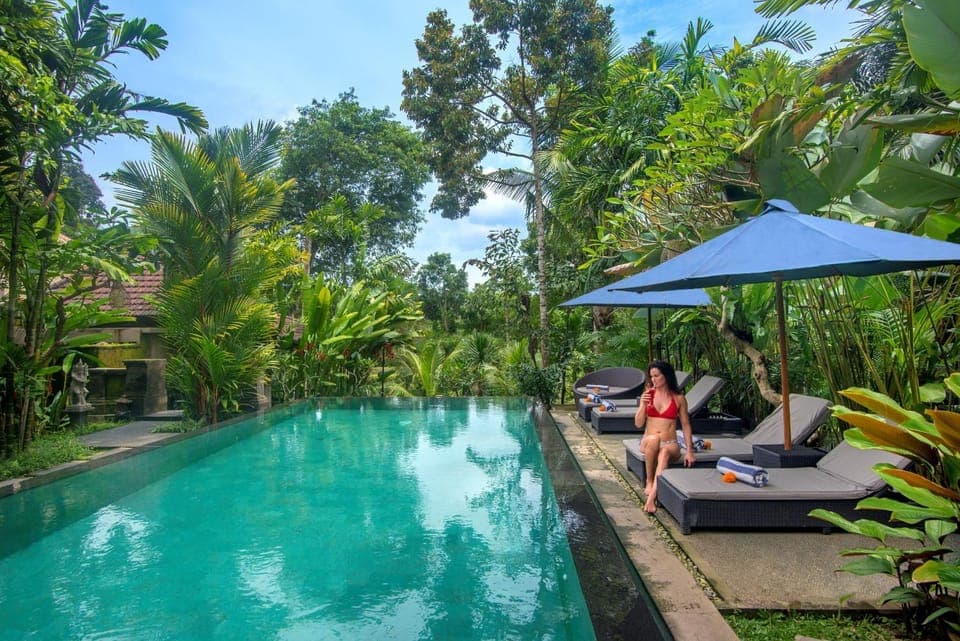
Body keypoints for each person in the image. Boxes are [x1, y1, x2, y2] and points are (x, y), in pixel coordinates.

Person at [634, 359, 695, 513]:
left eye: (656, 376)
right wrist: (643, 405)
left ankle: (651, 497)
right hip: (649, 441)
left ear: (666, 375)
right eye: (651, 377)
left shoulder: (679, 399)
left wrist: (689, 451)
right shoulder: (648, 395)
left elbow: (686, 425)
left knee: (665, 452)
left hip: (670, 443)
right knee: (654, 439)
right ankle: (649, 481)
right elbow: (638, 424)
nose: (653, 380)